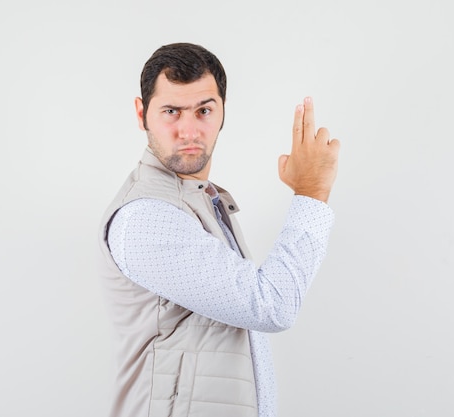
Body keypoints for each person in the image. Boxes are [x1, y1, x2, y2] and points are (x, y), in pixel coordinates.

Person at [97, 42, 340, 417]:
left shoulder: (199, 199)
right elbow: (271, 305)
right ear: (141, 113)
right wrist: (312, 193)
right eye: (171, 111)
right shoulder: (147, 216)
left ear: (223, 112)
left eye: (204, 110)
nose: (189, 130)